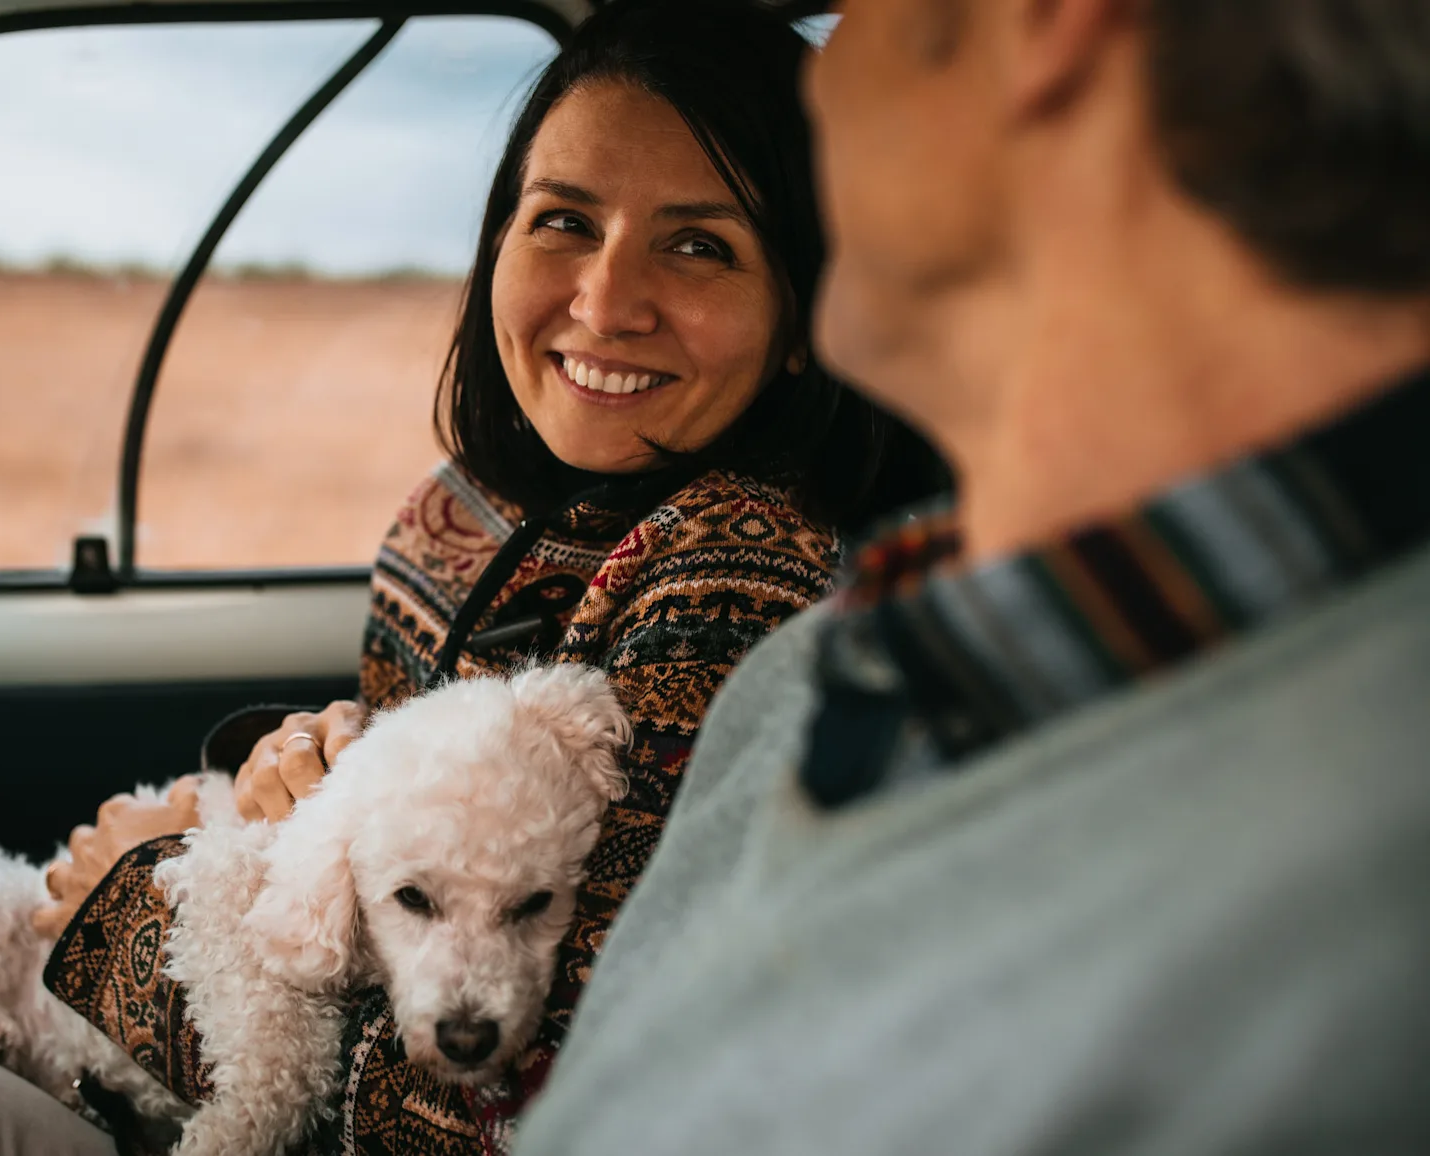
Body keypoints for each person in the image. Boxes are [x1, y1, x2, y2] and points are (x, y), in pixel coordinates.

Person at [0, 3, 937, 1154]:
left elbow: (494, 1086)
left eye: (700, 245)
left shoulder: (737, 578)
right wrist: (289, 767)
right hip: (191, 1034)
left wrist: (125, 915)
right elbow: (401, 805)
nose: (602, 299)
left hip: (248, 1117)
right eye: (563, 220)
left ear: (807, 314)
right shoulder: (484, 506)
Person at [517, 1, 1430, 1153]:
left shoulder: (1358, 941)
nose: (821, 73)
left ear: (1046, 23)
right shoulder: (818, 671)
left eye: (848, 8)